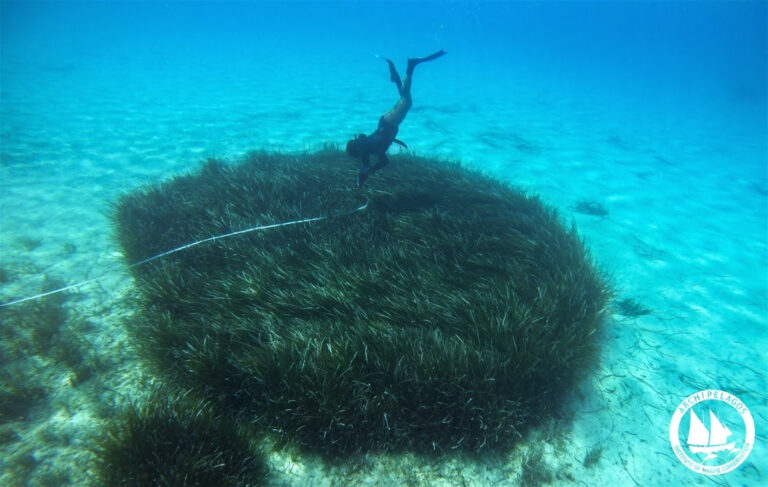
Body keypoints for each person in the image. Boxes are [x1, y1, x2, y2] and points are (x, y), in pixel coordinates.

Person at [346, 50, 446, 186]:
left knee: (406, 101)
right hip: (385, 122)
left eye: (356, 154)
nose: (359, 157)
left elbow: (384, 161)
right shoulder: (364, 148)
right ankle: (397, 75)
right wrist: (362, 177)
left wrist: (371, 170)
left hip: (389, 124)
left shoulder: (369, 149)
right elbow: (366, 158)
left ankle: (410, 66)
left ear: (358, 150)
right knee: (404, 99)